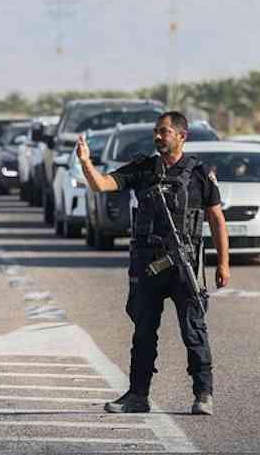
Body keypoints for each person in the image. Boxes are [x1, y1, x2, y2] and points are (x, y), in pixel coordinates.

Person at [76, 111, 230, 416]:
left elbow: (216, 219)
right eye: (156, 132)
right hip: (148, 266)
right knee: (143, 332)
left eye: (165, 132)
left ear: (182, 136)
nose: (158, 137)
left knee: (194, 330)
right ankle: (137, 396)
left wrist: (222, 264)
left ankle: (203, 393)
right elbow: (102, 185)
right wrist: (85, 162)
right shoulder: (143, 168)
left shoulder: (199, 174)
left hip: (184, 265)